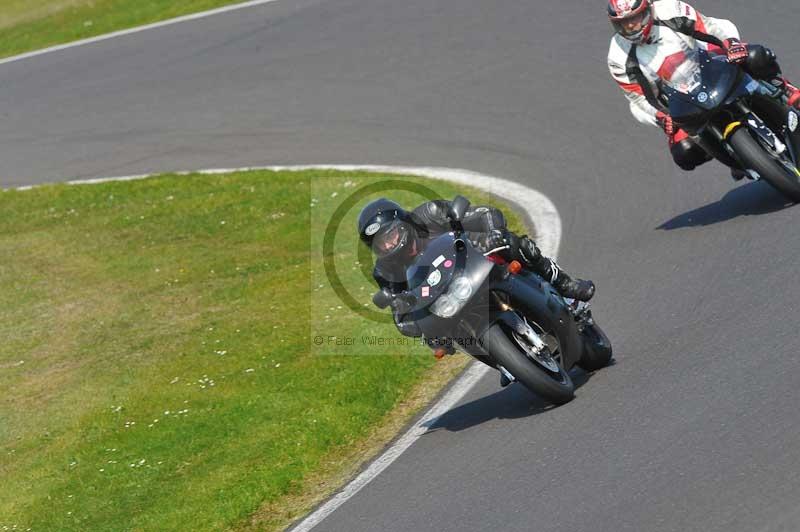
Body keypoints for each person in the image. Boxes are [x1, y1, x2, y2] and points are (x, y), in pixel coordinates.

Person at [357, 197, 595, 358]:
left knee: (517, 245)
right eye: (381, 244)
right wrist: (406, 312)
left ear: (404, 223)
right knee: (438, 336)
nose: (390, 245)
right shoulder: (385, 271)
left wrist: (493, 234)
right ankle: (502, 357)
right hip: (449, 299)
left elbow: (485, 214)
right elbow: (400, 318)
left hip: (478, 259)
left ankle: (564, 284)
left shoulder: (430, 214)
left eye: (391, 234)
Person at [607, 0, 800, 179]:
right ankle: (738, 156)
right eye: (624, 23)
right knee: (685, 152)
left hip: (710, 61)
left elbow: (708, 27)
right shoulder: (618, 56)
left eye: (635, 18)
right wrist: (661, 117)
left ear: (648, 9)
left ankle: (785, 89)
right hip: (679, 99)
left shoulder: (669, 10)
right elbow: (640, 98)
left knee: (756, 55)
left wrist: (731, 44)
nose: (632, 26)